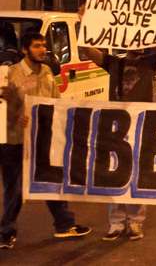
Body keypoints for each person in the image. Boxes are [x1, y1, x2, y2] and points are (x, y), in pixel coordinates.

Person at [0, 33, 91, 249]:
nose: (42, 50)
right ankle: (6, 231)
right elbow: (2, 108)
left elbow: (55, 102)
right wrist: (14, 117)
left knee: (51, 180)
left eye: (43, 46)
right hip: (15, 141)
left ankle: (63, 224)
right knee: (15, 189)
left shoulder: (48, 71)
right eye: (36, 46)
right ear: (24, 50)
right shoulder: (10, 75)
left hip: (42, 139)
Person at [80, 44, 156, 242]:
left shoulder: (150, 61)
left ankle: (135, 221)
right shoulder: (113, 62)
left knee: (136, 173)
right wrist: (87, 25)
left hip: (139, 124)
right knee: (114, 173)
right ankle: (116, 222)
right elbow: (90, 52)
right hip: (115, 124)